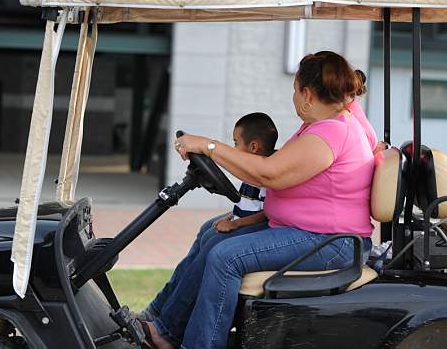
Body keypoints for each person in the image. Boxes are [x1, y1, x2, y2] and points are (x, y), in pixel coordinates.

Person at [145, 51, 376, 349]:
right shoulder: (334, 121)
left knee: (225, 257)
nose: (293, 97)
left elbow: (269, 174)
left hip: (330, 242)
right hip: (305, 231)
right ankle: (165, 326)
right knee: (211, 233)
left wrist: (209, 145)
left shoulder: (331, 132)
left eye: (295, 90)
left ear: (306, 93)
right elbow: (364, 131)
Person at [134, 113, 278, 345]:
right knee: (206, 231)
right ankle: (158, 311)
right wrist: (233, 216)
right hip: (249, 221)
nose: (233, 148)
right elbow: (246, 205)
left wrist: (236, 223)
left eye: (235, 143)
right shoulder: (253, 168)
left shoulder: (265, 171)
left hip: (265, 227)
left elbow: (267, 211)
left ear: (253, 146)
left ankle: (167, 330)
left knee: (214, 245)